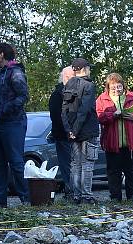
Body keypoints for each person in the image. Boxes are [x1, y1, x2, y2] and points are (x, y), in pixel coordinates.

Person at [95, 72, 133, 201]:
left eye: (119, 87)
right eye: (113, 87)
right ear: (108, 87)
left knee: (132, 171)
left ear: (123, 86)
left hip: (131, 143)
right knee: (113, 172)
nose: (117, 90)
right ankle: (115, 197)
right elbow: (99, 117)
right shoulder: (101, 99)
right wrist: (113, 115)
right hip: (112, 143)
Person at [0, 42, 29, 207]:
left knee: (15, 161)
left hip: (13, 122)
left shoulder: (16, 73)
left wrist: (4, 110)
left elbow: (23, 97)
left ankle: (26, 198)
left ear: (1, 55)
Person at [62, 58, 100, 205]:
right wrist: (76, 130)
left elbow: (63, 110)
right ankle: (87, 196)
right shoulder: (89, 85)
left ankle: (76, 195)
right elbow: (84, 110)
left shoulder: (68, 84)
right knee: (88, 164)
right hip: (87, 130)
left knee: (76, 164)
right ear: (84, 69)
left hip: (72, 131)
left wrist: (69, 130)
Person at [49, 66, 75, 200]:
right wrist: (68, 131)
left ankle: (75, 191)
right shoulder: (57, 95)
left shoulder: (77, 92)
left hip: (76, 135)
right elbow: (56, 117)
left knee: (75, 164)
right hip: (63, 136)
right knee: (67, 165)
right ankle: (70, 191)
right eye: (69, 77)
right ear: (64, 77)